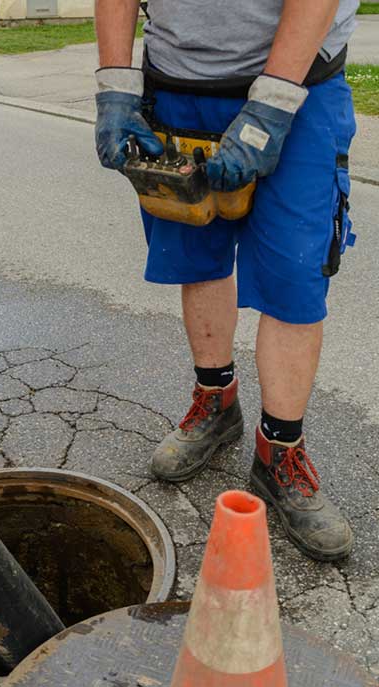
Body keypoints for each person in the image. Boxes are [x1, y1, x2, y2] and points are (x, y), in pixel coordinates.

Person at [94, 0, 359, 561]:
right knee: (198, 255)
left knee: (294, 276)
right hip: (177, 87)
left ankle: (279, 453)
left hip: (297, 82)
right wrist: (116, 88)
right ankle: (217, 405)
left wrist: (273, 102)